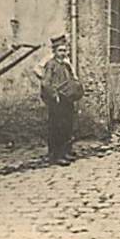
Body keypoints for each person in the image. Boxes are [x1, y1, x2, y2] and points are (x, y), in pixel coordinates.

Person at [40, 35, 82, 165]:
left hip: (67, 100)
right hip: (57, 100)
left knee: (66, 127)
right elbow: (45, 83)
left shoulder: (66, 65)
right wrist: (54, 95)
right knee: (56, 127)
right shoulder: (51, 65)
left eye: (64, 50)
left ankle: (65, 152)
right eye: (60, 50)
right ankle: (56, 155)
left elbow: (71, 79)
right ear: (54, 51)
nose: (63, 53)